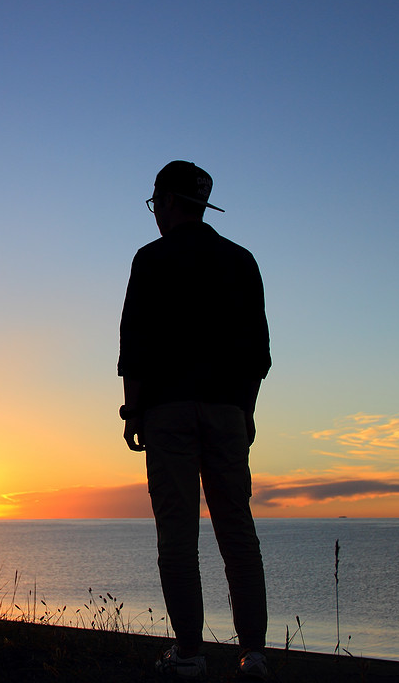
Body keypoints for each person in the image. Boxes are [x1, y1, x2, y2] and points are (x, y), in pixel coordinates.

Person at [118, 160, 271, 680]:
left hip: (168, 414)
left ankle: (189, 653)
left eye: (155, 204)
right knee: (237, 532)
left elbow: (133, 346)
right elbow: (259, 353)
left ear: (165, 201)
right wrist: (244, 411)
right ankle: (254, 654)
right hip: (229, 411)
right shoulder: (241, 260)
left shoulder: (151, 260)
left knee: (178, 537)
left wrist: (132, 411)